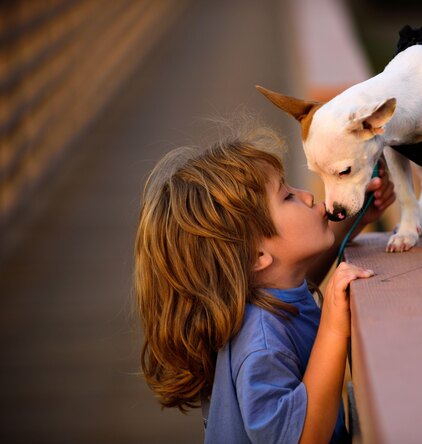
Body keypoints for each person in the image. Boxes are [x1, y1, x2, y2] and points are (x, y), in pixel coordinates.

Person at [135, 119, 395, 443]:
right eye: (287, 196)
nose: (308, 196)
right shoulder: (263, 347)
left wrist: (355, 212)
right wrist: (333, 327)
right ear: (258, 257)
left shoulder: (270, 296)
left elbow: (303, 279)